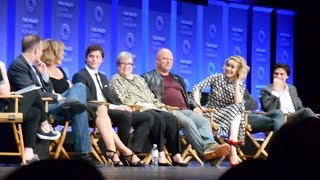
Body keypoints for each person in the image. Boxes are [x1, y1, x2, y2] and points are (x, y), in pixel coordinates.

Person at [41, 39, 145, 167]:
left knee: (96, 108)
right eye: (61, 53)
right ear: (53, 53)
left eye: (97, 57)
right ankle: (122, 152)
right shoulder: (43, 69)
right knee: (85, 97)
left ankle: (113, 153)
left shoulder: (61, 71)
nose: (63, 55)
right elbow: (49, 93)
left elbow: (71, 89)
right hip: (60, 107)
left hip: (77, 107)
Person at [6, 35, 100, 165]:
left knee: (80, 87)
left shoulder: (35, 67)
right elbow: (32, 92)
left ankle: (71, 103)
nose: (41, 52)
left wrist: (44, 75)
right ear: (35, 51)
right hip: (43, 106)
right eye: (40, 50)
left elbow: (46, 89)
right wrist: (57, 97)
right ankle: (83, 153)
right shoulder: (20, 66)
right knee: (79, 109)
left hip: (52, 103)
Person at [142, 48, 230, 160]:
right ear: (157, 60)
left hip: (186, 109)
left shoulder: (177, 78)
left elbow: (187, 97)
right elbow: (146, 97)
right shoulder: (147, 77)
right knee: (188, 123)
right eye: (165, 59)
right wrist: (161, 107)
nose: (168, 61)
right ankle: (206, 154)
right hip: (168, 111)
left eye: (170, 59)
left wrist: (196, 106)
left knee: (204, 121)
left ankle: (210, 147)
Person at [72, 45, 153, 166]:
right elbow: (88, 101)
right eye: (91, 56)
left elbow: (109, 98)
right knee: (124, 116)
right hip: (93, 111)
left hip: (108, 109)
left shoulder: (103, 77)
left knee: (146, 117)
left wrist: (121, 105)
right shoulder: (80, 76)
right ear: (86, 58)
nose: (94, 59)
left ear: (102, 60)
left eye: (97, 57)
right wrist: (114, 107)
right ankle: (125, 153)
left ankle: (130, 150)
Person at [109, 50, 188, 166]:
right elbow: (122, 100)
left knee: (171, 118)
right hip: (135, 109)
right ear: (118, 65)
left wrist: (162, 107)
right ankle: (160, 153)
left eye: (129, 64)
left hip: (150, 107)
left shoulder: (139, 79)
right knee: (157, 118)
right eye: (123, 64)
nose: (126, 67)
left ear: (133, 66)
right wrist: (143, 105)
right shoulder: (115, 80)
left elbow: (151, 97)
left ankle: (176, 154)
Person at [192, 55, 250, 166]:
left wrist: (237, 83)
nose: (228, 68)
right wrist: (198, 105)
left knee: (238, 106)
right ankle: (233, 145)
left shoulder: (240, 86)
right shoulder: (217, 77)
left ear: (238, 70)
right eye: (228, 65)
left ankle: (232, 142)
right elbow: (197, 88)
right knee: (238, 108)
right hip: (212, 114)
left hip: (228, 116)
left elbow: (237, 103)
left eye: (232, 67)